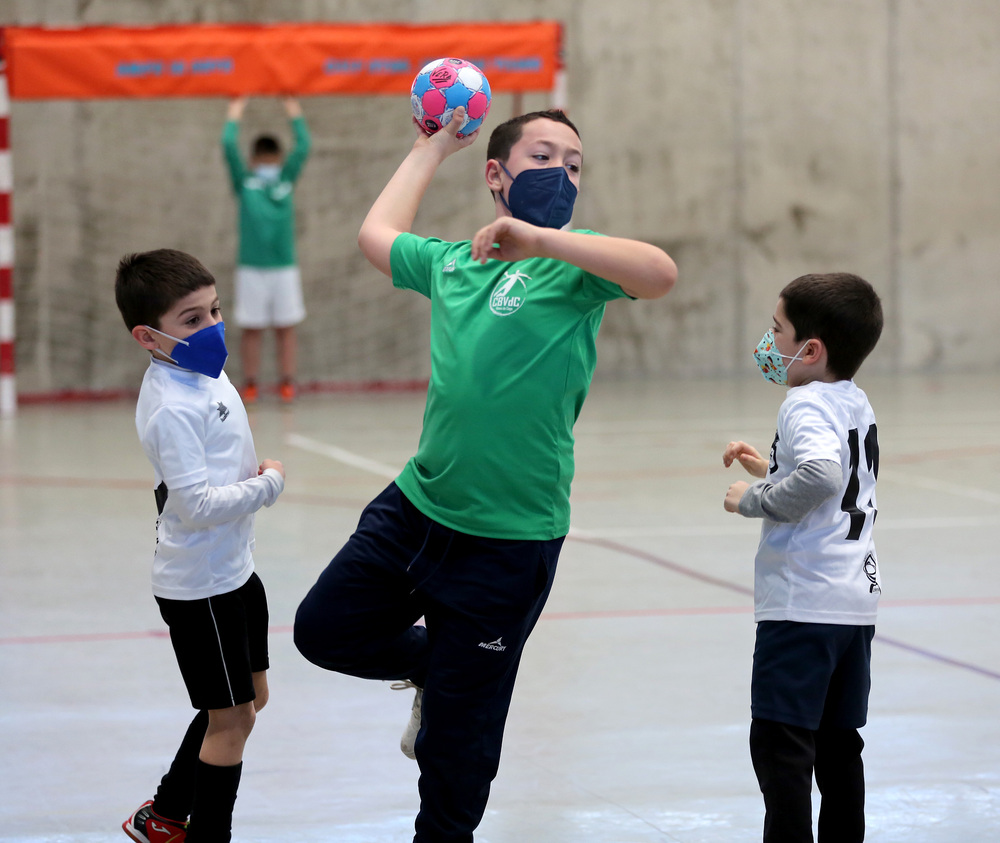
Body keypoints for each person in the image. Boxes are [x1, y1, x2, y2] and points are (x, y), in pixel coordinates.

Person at [292, 106, 676, 842]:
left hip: (510, 540)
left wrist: (540, 239)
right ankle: (438, 667)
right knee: (324, 629)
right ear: (496, 175)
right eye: (543, 156)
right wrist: (430, 148)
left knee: (457, 748)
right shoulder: (452, 264)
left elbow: (660, 272)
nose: (561, 174)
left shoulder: (575, 264)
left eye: (573, 164)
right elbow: (377, 237)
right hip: (418, 508)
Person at [115, 249, 286, 843]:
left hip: (237, 571)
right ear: (149, 336)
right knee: (230, 721)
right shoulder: (170, 406)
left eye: (214, 311)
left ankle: (163, 811)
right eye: (191, 320)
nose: (212, 327)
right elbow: (197, 506)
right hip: (201, 587)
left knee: (250, 701)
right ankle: (194, 833)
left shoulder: (204, 374)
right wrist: (267, 485)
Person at [722, 272, 884, 843]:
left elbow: (820, 474)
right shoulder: (853, 399)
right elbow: (836, 483)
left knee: (780, 746)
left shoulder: (803, 402)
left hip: (802, 605)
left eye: (777, 330)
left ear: (811, 350)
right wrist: (769, 468)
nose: (769, 342)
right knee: (839, 747)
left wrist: (754, 500)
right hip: (853, 604)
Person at [221, 96, 311, 404]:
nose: (268, 166)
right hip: (251, 267)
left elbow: (304, 145)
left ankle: (287, 382)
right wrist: (235, 112)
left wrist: (292, 108)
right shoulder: (245, 184)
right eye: (263, 161)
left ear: (280, 161)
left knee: (286, 327)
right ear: (253, 162)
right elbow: (228, 146)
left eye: (273, 161)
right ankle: (251, 383)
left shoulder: (286, 180)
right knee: (252, 328)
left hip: (284, 266)